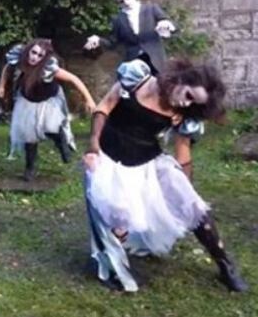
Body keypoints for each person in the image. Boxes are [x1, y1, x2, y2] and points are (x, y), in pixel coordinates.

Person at [82, 58, 248, 293]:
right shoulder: (136, 78)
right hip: (109, 159)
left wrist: (184, 190)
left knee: (194, 207)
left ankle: (225, 265)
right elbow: (104, 106)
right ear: (181, 79)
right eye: (188, 95)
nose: (185, 103)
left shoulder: (182, 114)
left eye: (193, 103)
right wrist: (93, 146)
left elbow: (183, 154)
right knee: (117, 215)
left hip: (148, 161)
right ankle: (113, 265)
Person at [0, 39, 96, 181]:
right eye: (33, 52)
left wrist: (89, 99)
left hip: (48, 100)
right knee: (28, 134)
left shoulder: (48, 69)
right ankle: (30, 168)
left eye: (39, 55)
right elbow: (8, 67)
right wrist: (1, 85)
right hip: (27, 101)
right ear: (29, 50)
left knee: (50, 127)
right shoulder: (19, 57)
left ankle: (61, 142)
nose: (34, 57)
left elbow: (74, 79)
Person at [83, 0, 176, 73]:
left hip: (156, 60)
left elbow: (169, 24)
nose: (126, 2)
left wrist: (167, 25)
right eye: (121, 1)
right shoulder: (118, 20)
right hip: (134, 63)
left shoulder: (151, 8)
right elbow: (112, 43)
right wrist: (98, 39)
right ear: (119, 4)